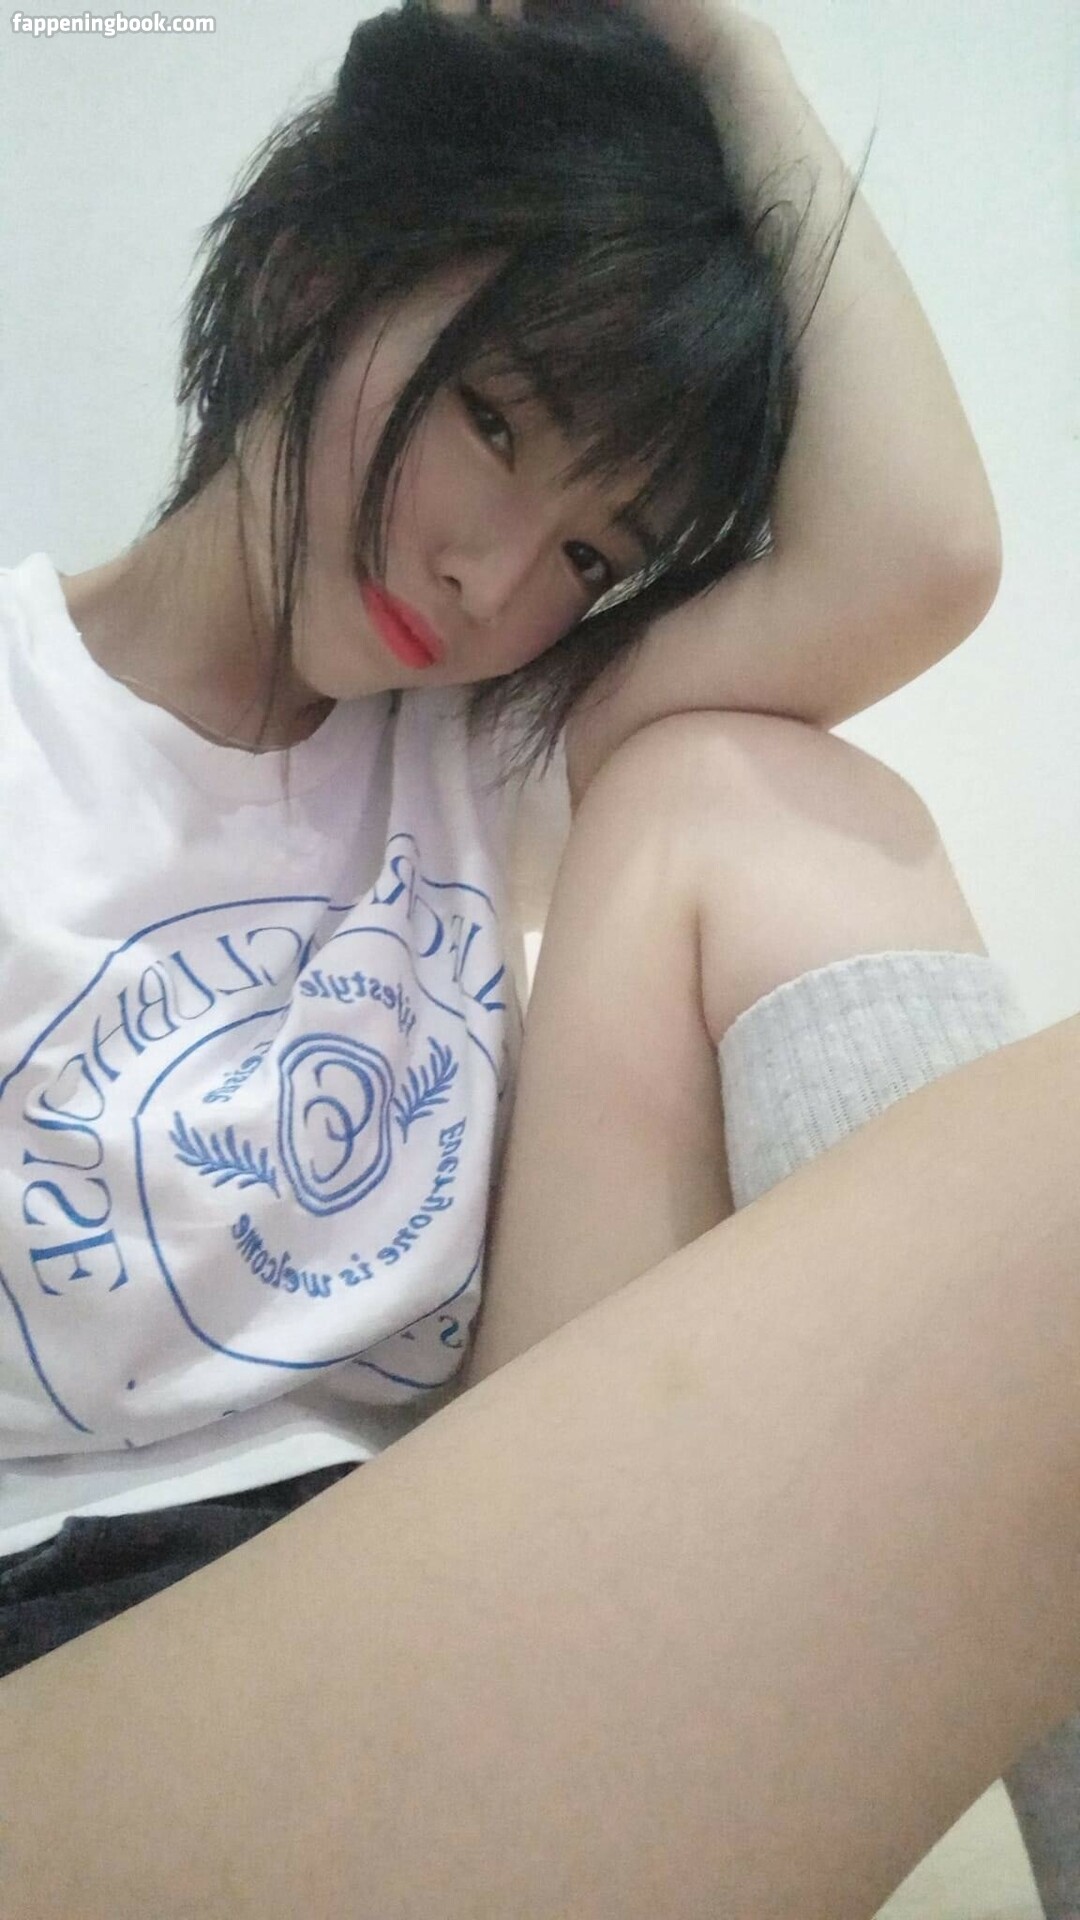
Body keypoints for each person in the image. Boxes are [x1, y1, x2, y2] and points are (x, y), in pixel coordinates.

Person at [2, 2, 1077, 1914]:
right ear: (312, 263)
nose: (494, 580)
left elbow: (920, 554)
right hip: (73, 1655)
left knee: (747, 796)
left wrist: (726, 51)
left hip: (440, 1568)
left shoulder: (478, 749)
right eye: (491, 422)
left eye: (592, 553)